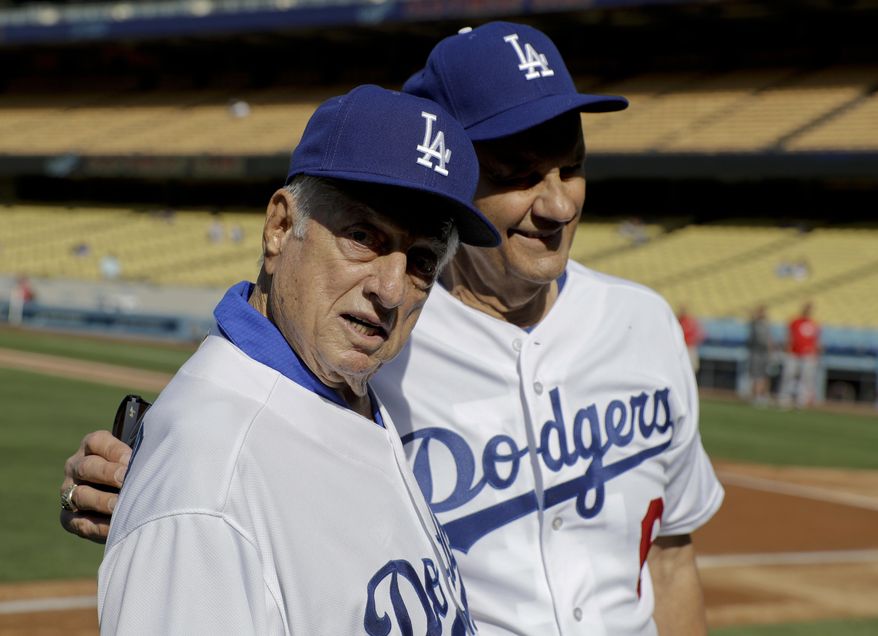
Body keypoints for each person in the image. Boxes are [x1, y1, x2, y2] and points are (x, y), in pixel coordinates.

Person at [61, 22, 723, 636]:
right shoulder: (373, 346)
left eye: (570, 167)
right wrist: (159, 491)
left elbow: (670, 558)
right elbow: (243, 416)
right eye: (519, 175)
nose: (556, 203)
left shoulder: (643, 324)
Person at [83, 85, 499, 634]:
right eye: (362, 236)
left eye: (421, 260)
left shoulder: (342, 385)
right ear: (280, 228)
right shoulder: (211, 485)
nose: (392, 289)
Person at [778, 301, 821, 408]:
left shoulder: (814, 323)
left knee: (806, 378)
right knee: (788, 375)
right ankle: (784, 399)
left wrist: (816, 352)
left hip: (808, 354)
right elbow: (788, 335)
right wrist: (787, 346)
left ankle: (801, 401)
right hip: (793, 352)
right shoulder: (795, 321)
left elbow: (816, 340)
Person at [747, 304, 773, 405]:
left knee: (765, 375)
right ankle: (756, 395)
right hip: (756, 352)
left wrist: (771, 352)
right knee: (756, 375)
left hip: (764, 353)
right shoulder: (755, 324)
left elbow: (769, 340)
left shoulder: (766, 324)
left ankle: (763, 395)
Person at [677, 305, 705, 374]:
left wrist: (694, 340)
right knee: (680, 367)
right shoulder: (677, 320)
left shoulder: (691, 321)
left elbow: (701, 334)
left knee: (692, 367)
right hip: (680, 347)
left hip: (690, 347)